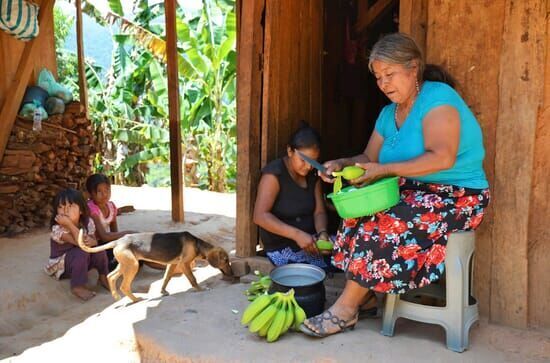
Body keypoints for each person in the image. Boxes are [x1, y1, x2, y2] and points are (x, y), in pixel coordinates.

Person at [300, 33, 490, 337]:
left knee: (387, 221)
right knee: (357, 215)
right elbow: (368, 156)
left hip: (459, 196)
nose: (384, 84)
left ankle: (345, 310)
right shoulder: (388, 114)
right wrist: (343, 164)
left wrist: (383, 169)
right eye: (378, 77)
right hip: (412, 192)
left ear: (413, 68)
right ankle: (366, 297)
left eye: (390, 74)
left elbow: (442, 157)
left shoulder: (438, 98)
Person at [253, 123, 330, 268]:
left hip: (311, 240)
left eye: (313, 161)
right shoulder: (274, 175)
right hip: (282, 248)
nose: (308, 166)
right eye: (303, 160)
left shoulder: (313, 175)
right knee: (327, 266)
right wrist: (297, 235)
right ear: (290, 151)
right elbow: (260, 216)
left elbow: (319, 212)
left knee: (350, 254)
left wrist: (322, 233)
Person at [44, 188, 109, 301]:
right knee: (81, 251)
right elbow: (80, 243)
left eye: (70, 206)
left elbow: (93, 240)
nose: (65, 210)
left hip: (82, 261)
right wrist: (69, 224)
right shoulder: (57, 229)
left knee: (99, 249)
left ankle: (103, 277)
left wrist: (93, 242)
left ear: (81, 210)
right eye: (61, 207)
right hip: (62, 266)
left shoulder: (88, 223)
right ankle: (77, 286)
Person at [85, 173, 134, 270]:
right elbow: (103, 237)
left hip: (107, 243)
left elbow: (115, 233)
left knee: (132, 251)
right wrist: (128, 233)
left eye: (107, 190)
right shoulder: (91, 208)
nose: (104, 194)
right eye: (99, 191)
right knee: (111, 263)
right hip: (95, 245)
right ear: (91, 193)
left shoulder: (111, 206)